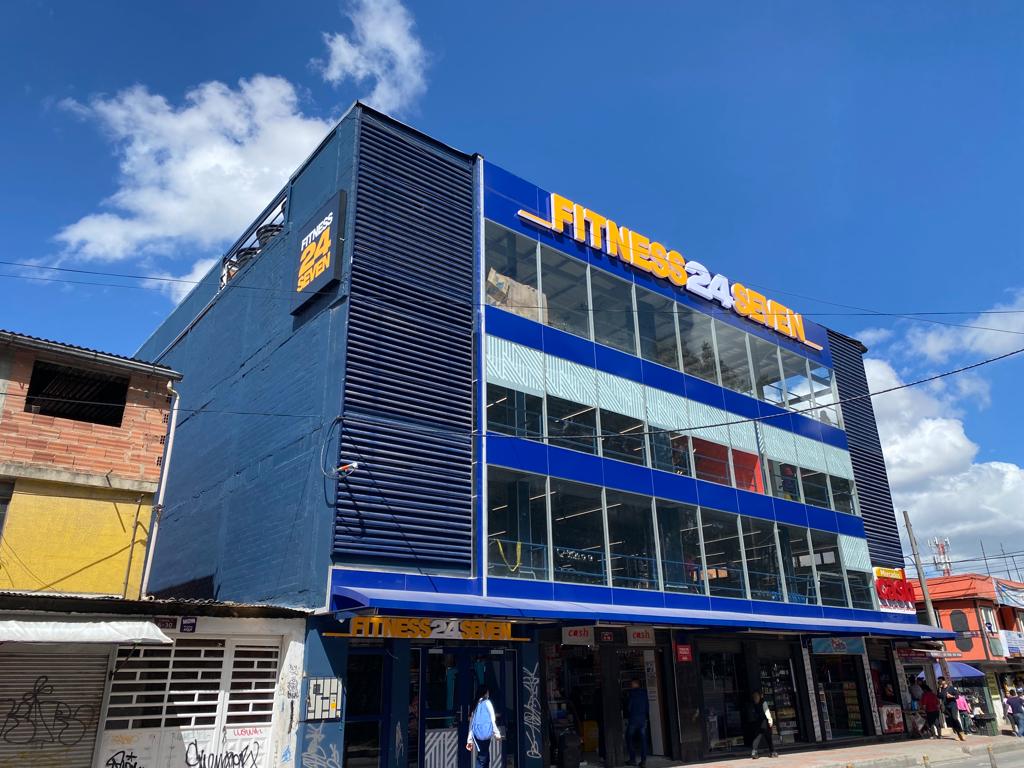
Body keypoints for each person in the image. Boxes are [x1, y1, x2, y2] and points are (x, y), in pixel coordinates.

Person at [466, 685, 502, 768]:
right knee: (482, 758)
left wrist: (469, 740)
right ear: (485, 693)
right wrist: (497, 733)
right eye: (488, 692)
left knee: (484, 756)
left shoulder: (475, 704)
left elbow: (471, 723)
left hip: (477, 734)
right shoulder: (487, 702)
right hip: (486, 733)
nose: (488, 694)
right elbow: (492, 719)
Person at [624, 679, 650, 767]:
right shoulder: (644, 693)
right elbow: (647, 707)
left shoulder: (631, 694)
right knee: (643, 740)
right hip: (643, 719)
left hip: (633, 719)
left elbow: (629, 707)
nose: (630, 685)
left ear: (635, 684)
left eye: (631, 684)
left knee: (629, 738)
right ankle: (643, 761)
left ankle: (633, 759)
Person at [749, 691, 778, 759]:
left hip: (757, 722)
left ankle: (754, 752)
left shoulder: (753, 703)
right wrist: (770, 720)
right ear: (761, 695)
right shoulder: (763, 702)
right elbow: (766, 711)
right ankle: (772, 752)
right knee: (768, 737)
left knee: (757, 737)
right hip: (764, 722)